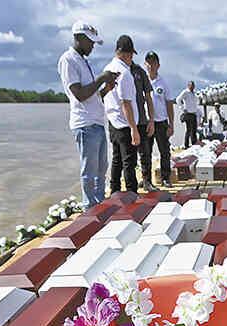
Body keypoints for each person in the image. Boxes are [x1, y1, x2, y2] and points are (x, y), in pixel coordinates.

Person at [57, 21, 117, 207]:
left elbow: (93, 96)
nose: (92, 46)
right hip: (85, 124)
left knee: (101, 169)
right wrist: (102, 78)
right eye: (90, 42)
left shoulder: (83, 61)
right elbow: (80, 94)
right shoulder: (68, 60)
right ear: (78, 38)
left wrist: (106, 88)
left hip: (97, 122)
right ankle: (89, 207)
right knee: (89, 172)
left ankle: (99, 204)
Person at [103, 35, 140, 194]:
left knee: (117, 159)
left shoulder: (108, 69)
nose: (132, 58)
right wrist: (134, 128)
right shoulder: (124, 73)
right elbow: (126, 103)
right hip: (125, 124)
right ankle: (132, 194)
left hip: (113, 122)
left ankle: (115, 191)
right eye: (131, 55)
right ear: (125, 53)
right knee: (129, 162)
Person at [143, 51, 175, 186]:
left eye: (154, 63)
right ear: (145, 64)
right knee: (146, 152)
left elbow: (169, 104)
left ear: (158, 65)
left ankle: (165, 178)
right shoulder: (142, 81)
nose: (151, 66)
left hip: (161, 121)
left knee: (164, 151)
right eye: (149, 63)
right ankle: (146, 179)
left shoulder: (163, 83)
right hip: (146, 122)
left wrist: (171, 124)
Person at [129, 59, 157, 191]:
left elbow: (148, 97)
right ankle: (131, 187)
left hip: (141, 120)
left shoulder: (139, 72)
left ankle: (147, 181)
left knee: (145, 154)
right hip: (125, 123)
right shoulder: (118, 70)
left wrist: (151, 120)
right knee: (129, 158)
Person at [176, 81, 200, 147]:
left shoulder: (194, 93)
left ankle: (194, 144)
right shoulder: (185, 92)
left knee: (194, 129)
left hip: (194, 113)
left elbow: (196, 102)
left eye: (193, 86)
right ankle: (186, 145)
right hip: (188, 114)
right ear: (188, 85)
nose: (192, 87)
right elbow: (178, 99)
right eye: (191, 85)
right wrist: (183, 108)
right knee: (189, 130)